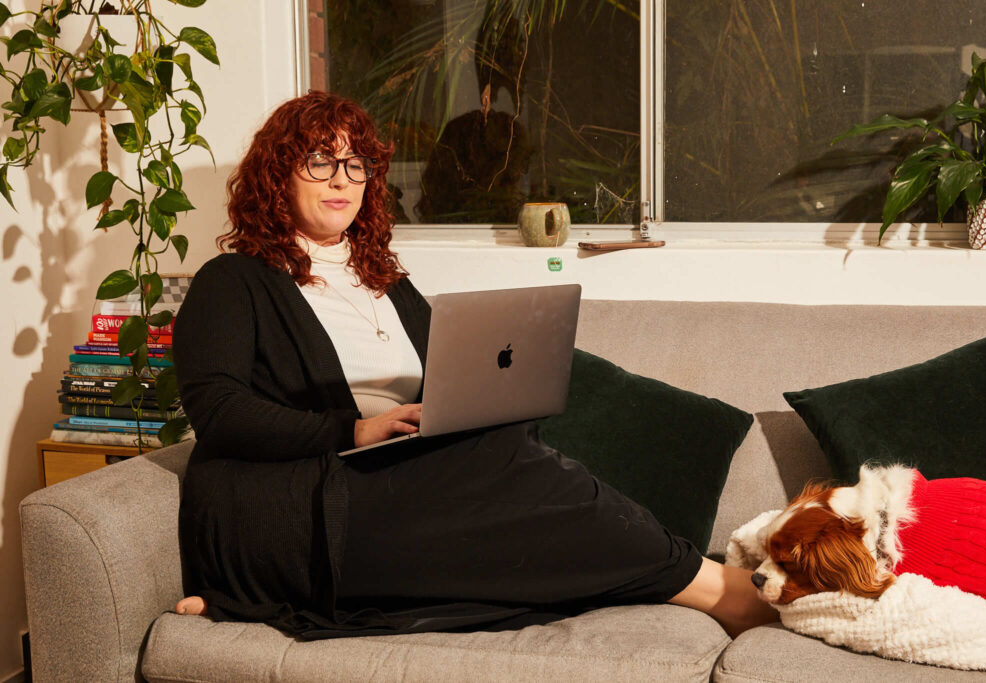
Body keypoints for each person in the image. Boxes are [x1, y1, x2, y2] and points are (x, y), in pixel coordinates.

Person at [172, 91, 778, 639]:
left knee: (510, 450)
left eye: (356, 165)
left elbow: (451, 378)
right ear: (279, 174)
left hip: (402, 480)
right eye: (320, 162)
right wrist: (353, 431)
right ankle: (716, 588)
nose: (342, 180)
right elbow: (220, 413)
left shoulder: (382, 278)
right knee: (512, 464)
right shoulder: (234, 280)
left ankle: (692, 575)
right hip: (304, 498)